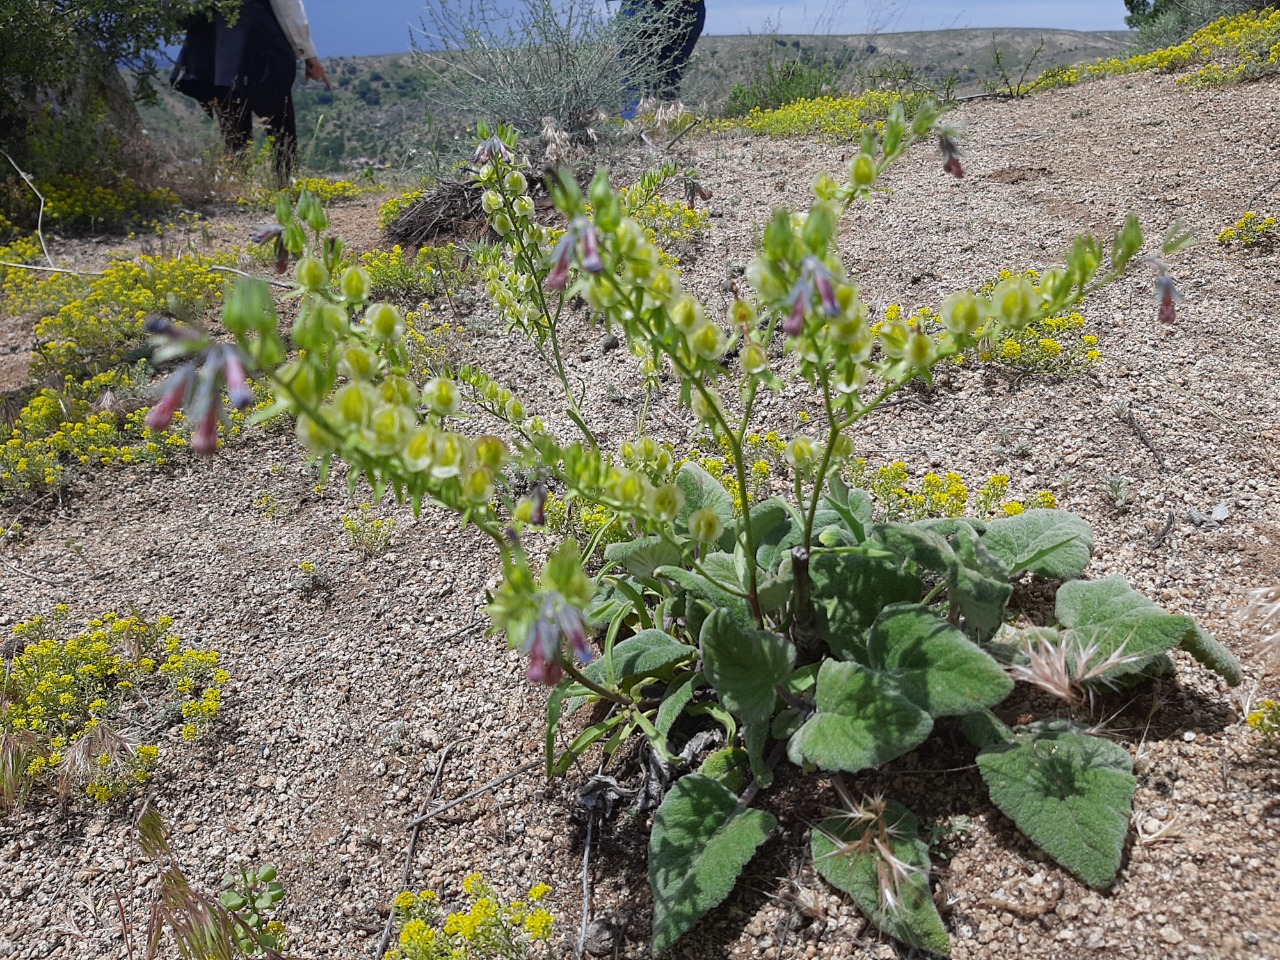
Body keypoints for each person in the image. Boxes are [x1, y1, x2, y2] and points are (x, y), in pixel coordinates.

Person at [171, 0, 330, 185]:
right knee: (279, 115)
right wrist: (309, 53)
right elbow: (287, 6)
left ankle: (239, 181)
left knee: (230, 109)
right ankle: (286, 182)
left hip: (211, 40)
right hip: (255, 34)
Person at [618, 0, 706, 115]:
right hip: (687, 13)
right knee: (669, 83)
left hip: (640, 10)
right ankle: (664, 126)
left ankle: (634, 128)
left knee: (634, 84)